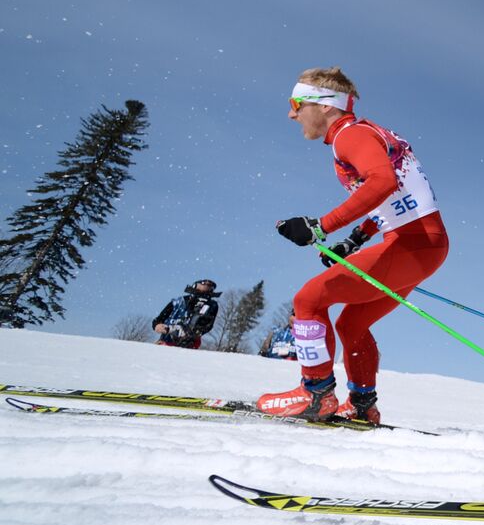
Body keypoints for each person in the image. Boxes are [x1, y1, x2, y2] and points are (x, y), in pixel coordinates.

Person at [257, 67, 449, 423]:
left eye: (296, 103)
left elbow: (382, 181)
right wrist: (356, 239)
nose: (291, 114)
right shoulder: (366, 133)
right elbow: (396, 199)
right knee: (351, 324)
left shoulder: (350, 135)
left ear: (325, 105)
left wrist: (320, 226)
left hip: (411, 244)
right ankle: (361, 404)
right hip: (423, 245)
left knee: (308, 301)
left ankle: (315, 393)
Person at [153, 279, 219, 349]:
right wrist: (157, 325)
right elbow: (159, 319)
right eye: (203, 283)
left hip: (188, 346)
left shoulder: (211, 305)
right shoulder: (178, 301)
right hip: (165, 342)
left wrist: (179, 331)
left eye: (209, 285)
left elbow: (205, 326)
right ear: (195, 285)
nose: (206, 286)